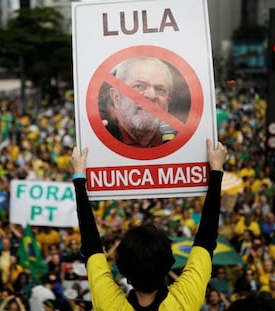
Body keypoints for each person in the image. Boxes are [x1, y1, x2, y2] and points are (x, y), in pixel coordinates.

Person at [70, 138, 227, 310]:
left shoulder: (110, 305)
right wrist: (216, 171)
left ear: (122, 267)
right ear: (168, 264)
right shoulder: (184, 302)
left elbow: (91, 247)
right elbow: (206, 240)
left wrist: (79, 178)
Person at [106, 57, 178, 147]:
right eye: (139, 86)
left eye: (160, 89)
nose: (152, 95)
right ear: (116, 97)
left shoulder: (184, 143)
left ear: (167, 101)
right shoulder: (97, 141)